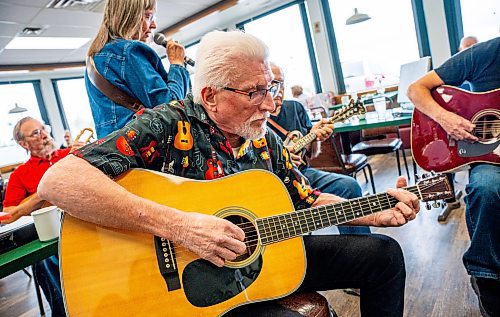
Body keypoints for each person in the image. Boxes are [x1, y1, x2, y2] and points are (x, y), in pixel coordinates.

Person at [39, 30, 419, 316]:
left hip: (259, 260)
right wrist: (179, 226)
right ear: (210, 96)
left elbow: (309, 197)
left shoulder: (262, 139)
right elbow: (58, 182)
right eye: (254, 92)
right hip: (179, 285)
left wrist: (373, 210)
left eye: (270, 88)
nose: (270, 104)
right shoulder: (166, 125)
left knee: (383, 255)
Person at [408, 36, 500, 317]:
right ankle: (487, 277)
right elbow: (416, 89)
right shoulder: (485, 53)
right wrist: (445, 118)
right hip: (486, 153)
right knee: (486, 187)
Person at [269, 62, 370, 235]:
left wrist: (316, 138)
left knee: (349, 186)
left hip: (301, 174)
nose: (279, 89)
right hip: (273, 180)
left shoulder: (295, 108)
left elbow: (312, 153)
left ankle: (360, 246)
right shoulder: (255, 115)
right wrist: (281, 158)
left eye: (282, 83)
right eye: (273, 83)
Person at [2, 117, 83, 317]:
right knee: (47, 258)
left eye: (43, 129)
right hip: (53, 237)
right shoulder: (20, 175)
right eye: (36, 133)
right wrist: (43, 193)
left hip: (84, 223)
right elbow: (8, 214)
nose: (45, 135)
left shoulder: (70, 154)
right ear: (23, 144)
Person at [86, 0, 190, 138]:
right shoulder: (129, 51)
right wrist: (177, 64)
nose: (153, 25)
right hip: (144, 151)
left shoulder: (94, 58)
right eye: (148, 16)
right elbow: (171, 107)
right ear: (129, 16)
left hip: (117, 151)